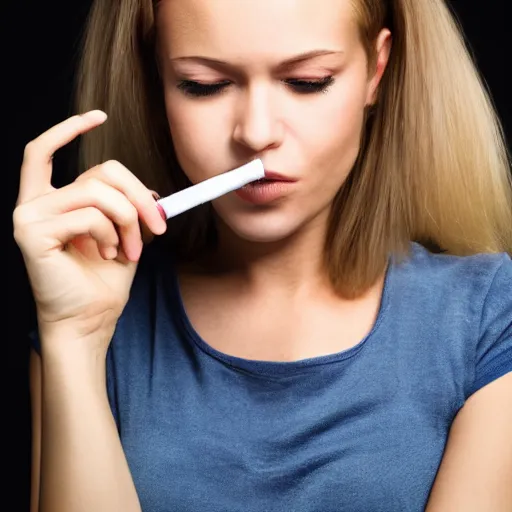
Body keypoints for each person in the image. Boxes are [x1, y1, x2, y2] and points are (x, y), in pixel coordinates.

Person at [13, 0, 512, 511]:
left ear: (376, 71)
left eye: (307, 81)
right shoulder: (92, 320)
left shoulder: (483, 321)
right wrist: (74, 338)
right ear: (156, 80)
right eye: (203, 85)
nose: (255, 133)